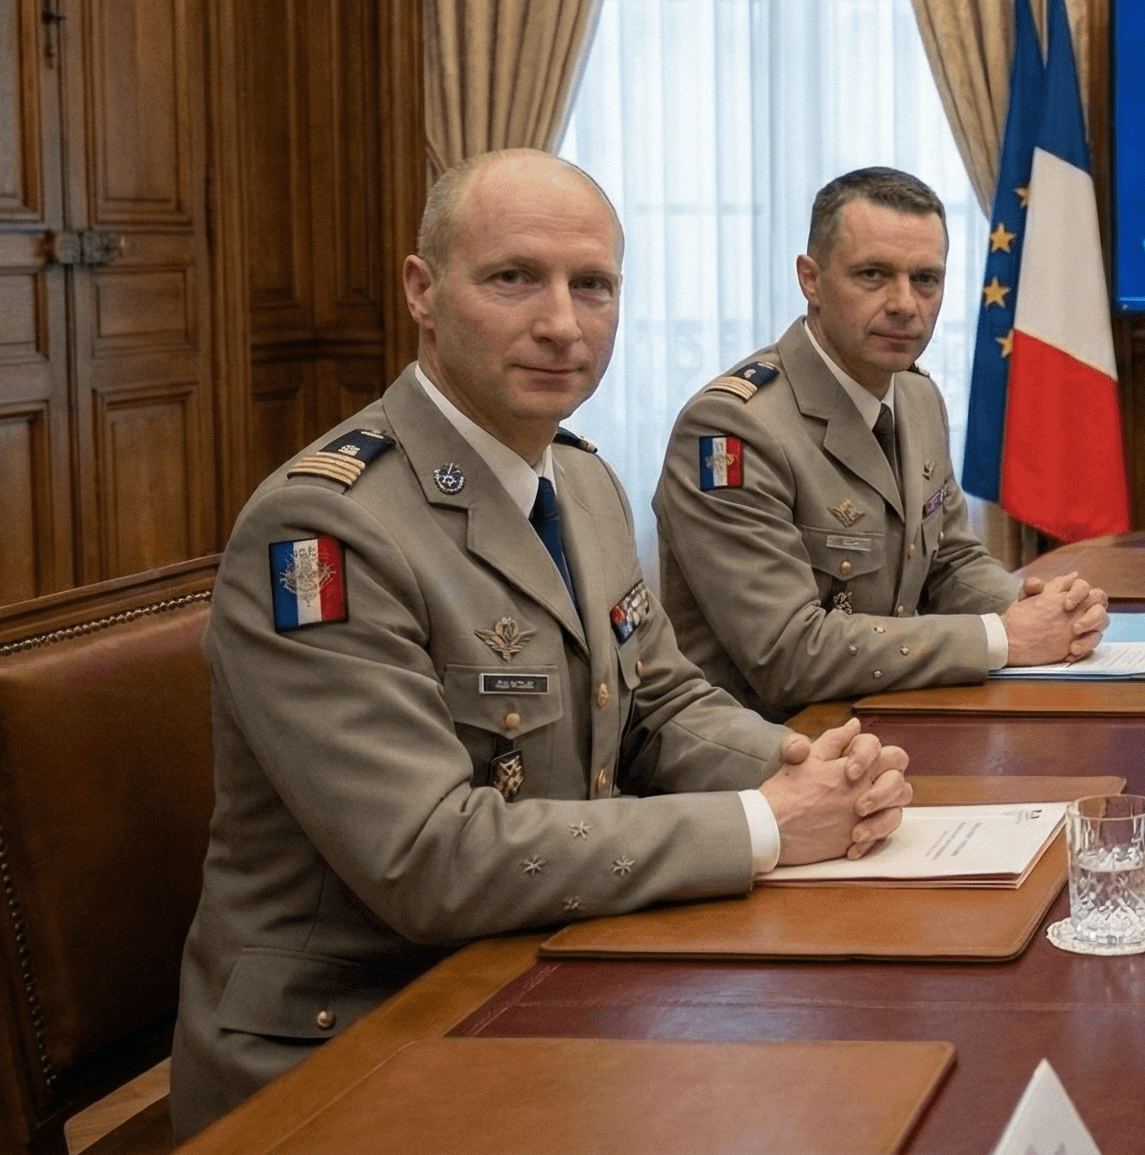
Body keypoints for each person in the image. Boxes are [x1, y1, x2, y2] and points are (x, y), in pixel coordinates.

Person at [174, 151, 915, 1137]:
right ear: (423, 293)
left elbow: (657, 704)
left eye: (592, 285)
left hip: (540, 971)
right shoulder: (324, 533)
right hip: (353, 1046)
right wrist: (768, 824)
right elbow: (431, 859)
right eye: (513, 277)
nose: (562, 323)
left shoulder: (580, 482)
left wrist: (807, 766)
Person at [654, 167, 1105, 721]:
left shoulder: (916, 396)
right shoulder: (732, 427)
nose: (904, 304)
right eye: (873, 275)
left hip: (894, 717)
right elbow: (789, 652)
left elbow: (950, 561)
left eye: (926, 279)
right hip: (773, 755)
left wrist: (1044, 610)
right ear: (811, 279)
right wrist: (1003, 638)